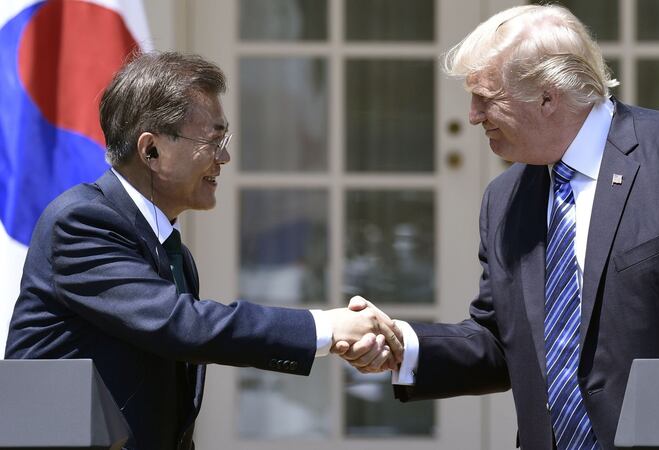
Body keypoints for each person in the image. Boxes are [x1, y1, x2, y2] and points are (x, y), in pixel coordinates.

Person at [338, 4, 659, 450]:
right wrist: (403, 346)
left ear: (546, 95)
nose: (473, 116)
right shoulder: (505, 199)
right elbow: (502, 343)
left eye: (486, 98)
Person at [4, 52, 402, 450]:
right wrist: (326, 329)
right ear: (151, 151)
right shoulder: (81, 222)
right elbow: (182, 325)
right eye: (213, 140)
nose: (224, 158)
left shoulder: (174, 253)